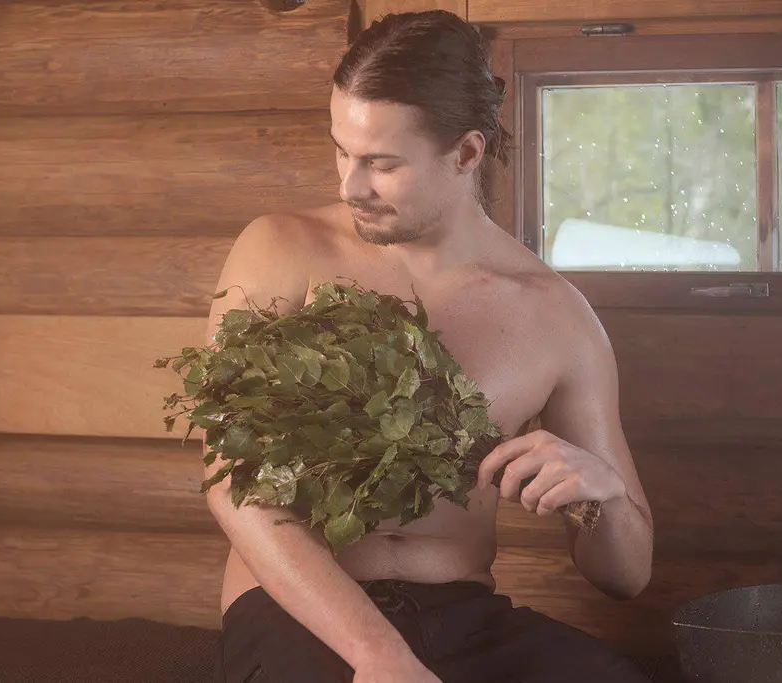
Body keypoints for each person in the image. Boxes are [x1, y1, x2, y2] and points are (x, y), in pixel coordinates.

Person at [204, 10, 654, 683]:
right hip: (296, 610)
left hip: (461, 612)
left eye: (381, 164)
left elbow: (627, 576)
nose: (350, 185)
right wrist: (380, 657)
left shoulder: (556, 315)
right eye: (342, 151)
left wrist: (606, 499)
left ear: (466, 153)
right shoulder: (279, 252)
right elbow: (232, 485)